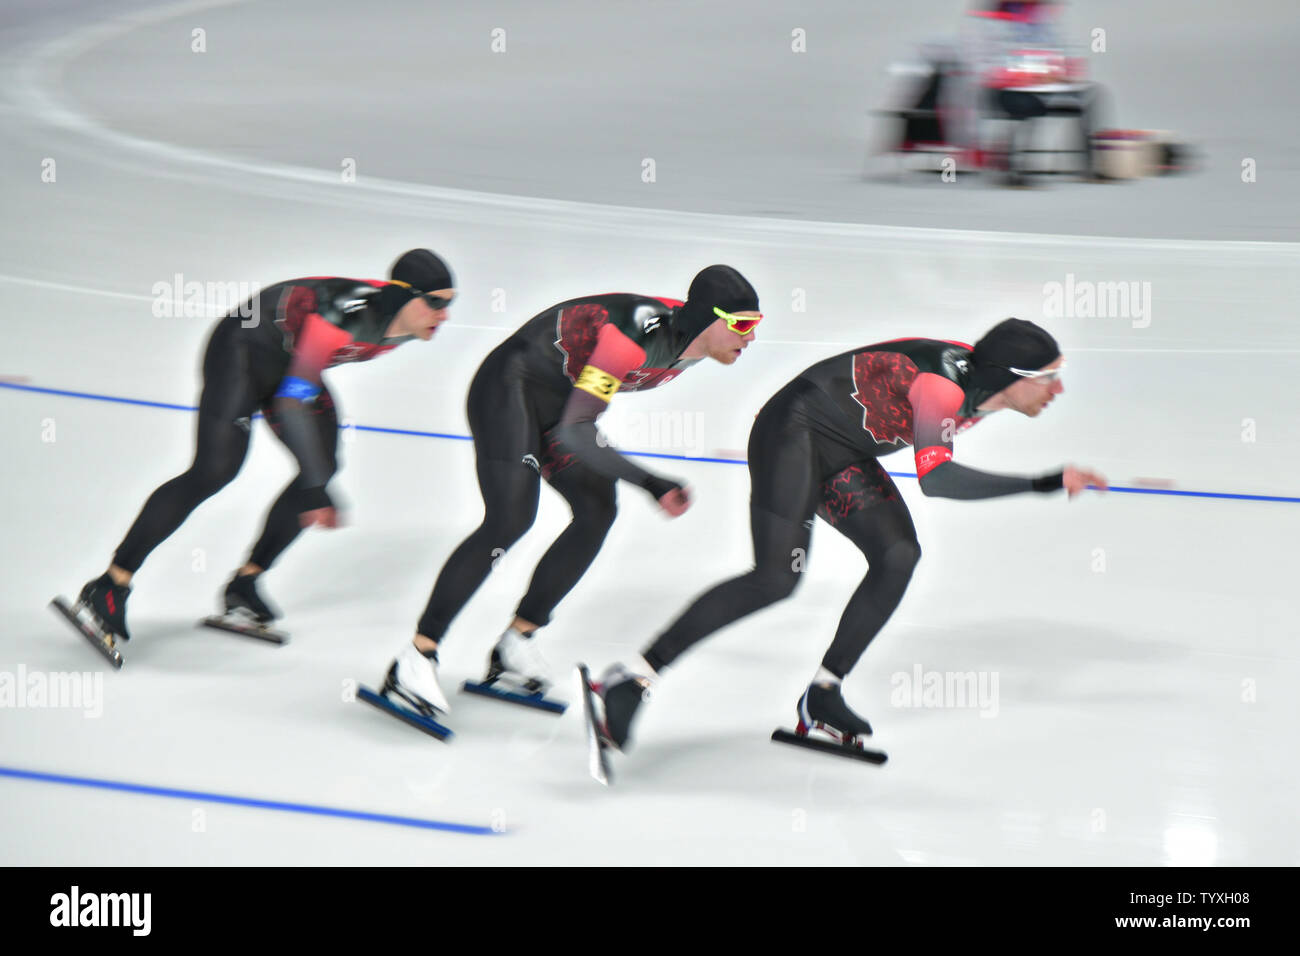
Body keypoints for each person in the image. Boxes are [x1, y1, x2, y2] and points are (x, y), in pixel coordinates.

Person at [591, 318, 1108, 751]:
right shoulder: (943, 387)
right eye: (1048, 377)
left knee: (898, 554)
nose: (1058, 389)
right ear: (1010, 376)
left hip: (842, 449)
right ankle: (633, 677)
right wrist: (1042, 482)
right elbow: (938, 479)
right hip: (791, 432)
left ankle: (823, 693)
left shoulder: (986, 386)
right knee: (774, 578)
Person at [380, 265, 761, 716]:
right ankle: (416, 656)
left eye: (755, 326)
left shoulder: (694, 345)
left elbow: (578, 420)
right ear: (706, 318)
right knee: (510, 518)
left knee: (597, 508)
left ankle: (517, 640)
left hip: (558, 403)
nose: (750, 337)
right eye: (741, 324)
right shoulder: (632, 336)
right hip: (509, 388)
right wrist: (650, 481)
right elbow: (579, 431)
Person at [66, 249, 456, 648]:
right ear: (404, 295)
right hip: (242, 349)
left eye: (450, 304)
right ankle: (110, 585)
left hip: (291, 358)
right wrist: (315, 488)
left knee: (319, 470)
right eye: (436, 303)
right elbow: (290, 401)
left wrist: (315, 481)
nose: (444, 315)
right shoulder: (342, 316)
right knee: (215, 470)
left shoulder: (410, 322)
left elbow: (301, 379)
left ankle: (246, 583)